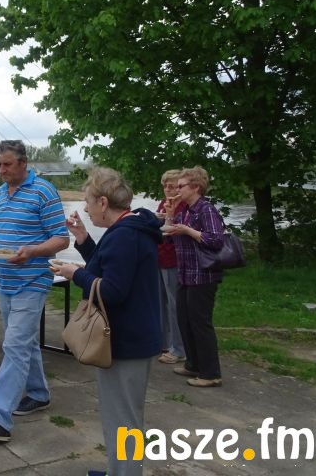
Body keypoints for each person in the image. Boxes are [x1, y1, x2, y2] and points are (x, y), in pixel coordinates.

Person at [51, 167, 162, 476]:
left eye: (88, 201)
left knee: (123, 421)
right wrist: (84, 239)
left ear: (103, 202)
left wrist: (75, 274)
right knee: (124, 417)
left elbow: (112, 291)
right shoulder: (131, 228)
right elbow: (112, 267)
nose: (86, 209)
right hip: (135, 335)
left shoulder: (125, 235)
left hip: (126, 341)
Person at [0, 140, 69, 442]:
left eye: (7, 164)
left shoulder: (44, 191)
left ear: (23, 163)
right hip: (5, 280)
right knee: (25, 342)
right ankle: (39, 394)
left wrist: (32, 251)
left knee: (14, 346)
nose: (1, 170)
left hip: (32, 280)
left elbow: (61, 238)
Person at [164, 165, 225, 388]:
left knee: (200, 323)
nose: (177, 190)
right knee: (184, 319)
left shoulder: (206, 210)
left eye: (181, 186)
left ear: (196, 187)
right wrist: (170, 216)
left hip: (203, 275)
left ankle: (211, 373)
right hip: (185, 274)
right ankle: (193, 364)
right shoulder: (186, 211)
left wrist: (188, 231)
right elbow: (168, 237)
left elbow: (216, 240)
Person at [156, 169, 186, 364]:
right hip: (159, 258)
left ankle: (179, 349)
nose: (168, 189)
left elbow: (177, 231)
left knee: (175, 305)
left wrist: (167, 219)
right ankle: (163, 342)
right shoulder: (164, 203)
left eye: (172, 186)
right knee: (160, 303)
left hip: (174, 260)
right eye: (165, 186)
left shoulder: (183, 206)